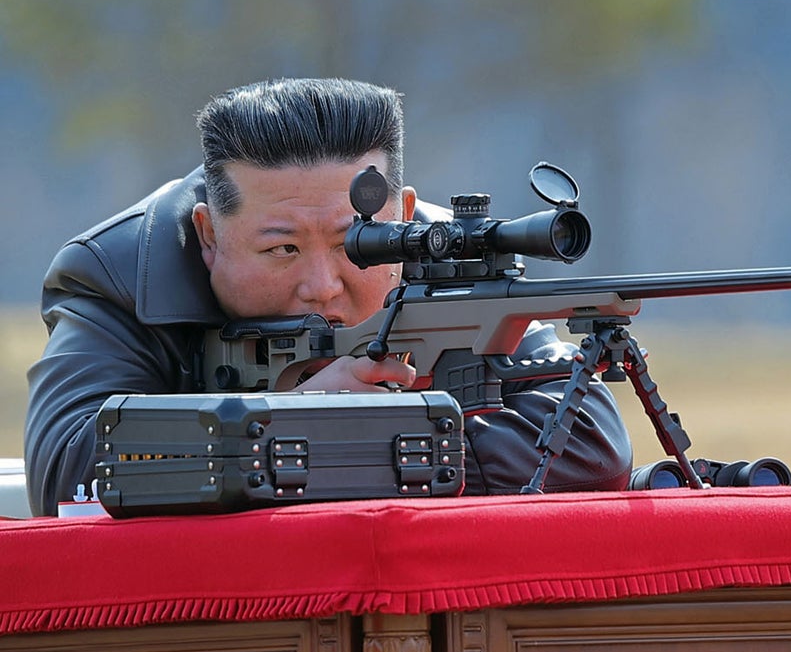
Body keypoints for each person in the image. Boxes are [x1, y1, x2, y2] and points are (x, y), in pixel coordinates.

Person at [24, 78, 633, 516]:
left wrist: (353, 444)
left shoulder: (456, 258)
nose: (321, 285)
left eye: (355, 246)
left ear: (403, 216)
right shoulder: (117, 274)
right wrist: (300, 421)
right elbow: (66, 476)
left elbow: (590, 446)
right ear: (209, 235)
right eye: (282, 248)